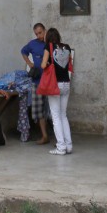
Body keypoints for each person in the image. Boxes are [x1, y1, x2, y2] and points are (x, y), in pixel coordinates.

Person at [41, 27, 72, 155]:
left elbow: (43, 65)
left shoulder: (49, 47)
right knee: (63, 115)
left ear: (48, 37)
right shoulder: (67, 47)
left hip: (55, 84)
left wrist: (47, 63)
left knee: (56, 116)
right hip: (66, 84)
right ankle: (69, 145)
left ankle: (61, 147)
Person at [20, 23, 49, 144]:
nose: (38, 35)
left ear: (45, 30)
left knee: (51, 110)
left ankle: (57, 136)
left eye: (40, 32)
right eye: (36, 33)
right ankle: (44, 136)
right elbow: (23, 51)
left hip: (49, 82)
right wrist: (29, 63)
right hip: (37, 81)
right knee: (38, 110)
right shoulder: (32, 44)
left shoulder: (50, 44)